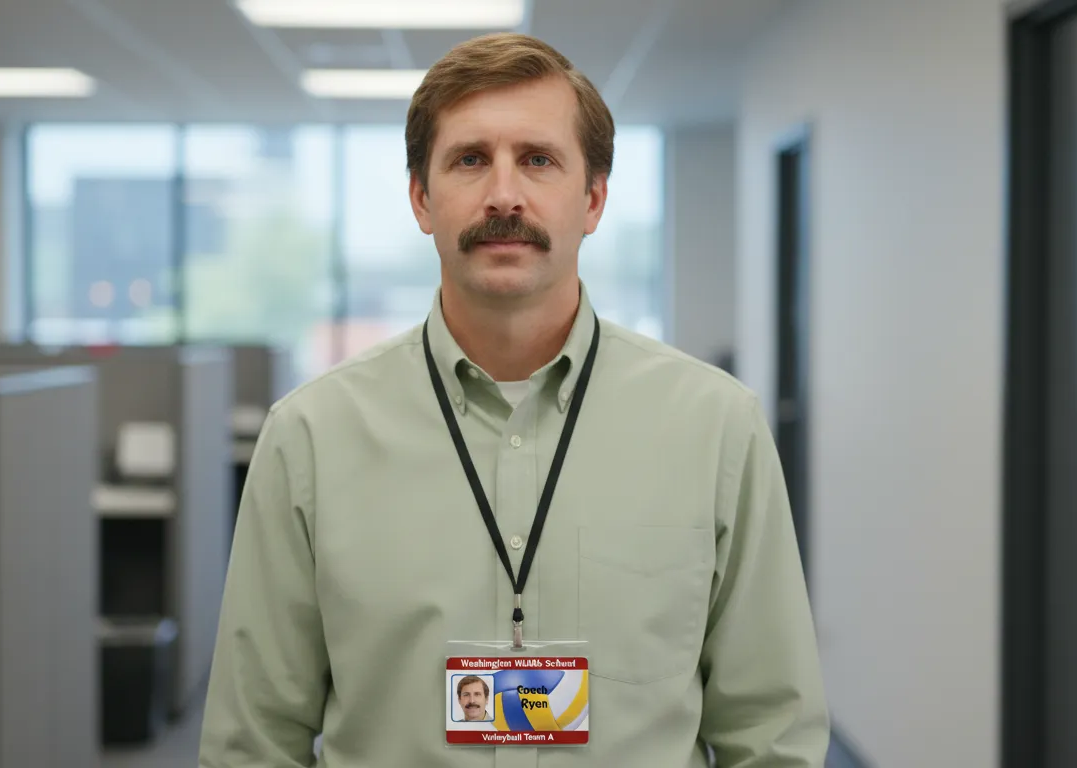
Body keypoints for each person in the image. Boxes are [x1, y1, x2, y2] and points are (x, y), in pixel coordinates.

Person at [198, 31, 830, 767]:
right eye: (470, 160)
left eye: (538, 159)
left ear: (592, 199)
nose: (503, 193)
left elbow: (773, 736)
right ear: (421, 199)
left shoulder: (717, 428)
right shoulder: (310, 437)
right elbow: (253, 743)